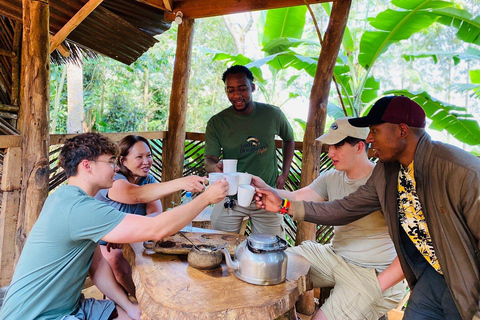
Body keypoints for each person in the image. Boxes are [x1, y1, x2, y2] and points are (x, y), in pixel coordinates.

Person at [255, 95, 480, 320]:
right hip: (431, 275)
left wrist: (377, 285)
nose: (370, 138)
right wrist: (284, 205)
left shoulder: (461, 172)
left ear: (402, 130)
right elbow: (343, 209)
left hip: (463, 279)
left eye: (375, 130)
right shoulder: (387, 172)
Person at [0, 133, 228, 320]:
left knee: (133, 315)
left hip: (70, 306)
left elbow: (97, 267)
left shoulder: (66, 198)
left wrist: (128, 306)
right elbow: (158, 228)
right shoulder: (79, 209)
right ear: (87, 166)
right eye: (110, 162)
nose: (116, 168)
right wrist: (206, 198)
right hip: (35, 315)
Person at [252, 117, 405, 320]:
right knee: (270, 267)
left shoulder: (384, 181)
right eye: (330, 146)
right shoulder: (331, 177)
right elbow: (298, 197)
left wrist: (379, 284)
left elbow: (412, 241)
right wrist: (266, 188)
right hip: (334, 257)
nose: (330, 152)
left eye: (337, 146)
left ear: (360, 147)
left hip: (370, 272)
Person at [94, 135, 207, 298]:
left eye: (149, 155)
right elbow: (135, 195)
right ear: (123, 160)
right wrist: (181, 183)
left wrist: (127, 234)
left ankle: (168, 295)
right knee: (117, 260)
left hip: (130, 238)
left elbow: (155, 213)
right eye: (139, 157)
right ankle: (143, 300)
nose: (146, 161)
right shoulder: (114, 180)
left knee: (160, 257)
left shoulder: (148, 180)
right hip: (104, 242)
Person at [204, 64, 295, 237]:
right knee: (218, 246)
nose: (237, 95)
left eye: (242, 89)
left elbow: (289, 139)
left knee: (272, 248)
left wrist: (285, 172)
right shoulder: (217, 123)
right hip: (230, 197)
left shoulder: (272, 114)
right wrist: (215, 167)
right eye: (230, 90)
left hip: (266, 196)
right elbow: (209, 158)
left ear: (252, 87)